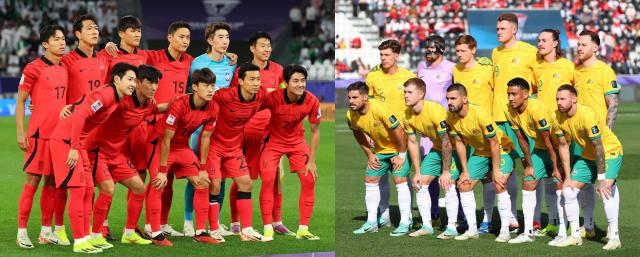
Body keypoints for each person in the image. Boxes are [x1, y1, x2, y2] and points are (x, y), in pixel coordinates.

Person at [50, 62, 138, 253]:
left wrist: (72, 105)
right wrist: (73, 147)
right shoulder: (106, 96)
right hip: (66, 142)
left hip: (77, 143)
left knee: (89, 190)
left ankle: (86, 237)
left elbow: (83, 103)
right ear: (116, 79)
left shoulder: (115, 97)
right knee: (79, 190)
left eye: (135, 81)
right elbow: (81, 116)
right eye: (130, 79)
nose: (133, 84)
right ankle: (80, 242)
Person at [82, 65, 166, 247]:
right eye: (150, 82)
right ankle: (95, 234)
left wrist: (176, 103)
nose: (153, 87)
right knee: (107, 189)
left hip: (116, 154)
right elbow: (91, 104)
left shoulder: (149, 104)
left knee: (139, 188)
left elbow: (154, 110)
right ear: (137, 83)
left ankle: (129, 233)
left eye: (156, 83)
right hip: (97, 151)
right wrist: (71, 107)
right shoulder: (121, 100)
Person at [145, 68, 220, 246]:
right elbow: (166, 138)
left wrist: (202, 168)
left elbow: (206, 138)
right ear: (194, 87)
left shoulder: (213, 107)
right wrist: (163, 171)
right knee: (158, 183)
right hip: (159, 143)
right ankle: (155, 232)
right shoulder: (180, 104)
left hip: (181, 147)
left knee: (203, 182)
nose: (210, 90)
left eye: (212, 86)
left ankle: (200, 231)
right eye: (206, 86)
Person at [229, 31, 293, 237]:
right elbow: (234, 101)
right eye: (262, 45)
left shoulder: (279, 70)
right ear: (252, 48)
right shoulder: (242, 71)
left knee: (275, 177)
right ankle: (235, 222)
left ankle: (277, 221)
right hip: (247, 132)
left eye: (269, 45)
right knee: (241, 177)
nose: (267, 49)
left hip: (272, 134)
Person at [15, 24, 68, 249]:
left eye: (63, 38)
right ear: (45, 44)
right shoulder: (33, 68)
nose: (62, 42)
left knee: (53, 183)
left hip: (59, 136)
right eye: (56, 39)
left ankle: (46, 232)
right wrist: (20, 131)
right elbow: (20, 101)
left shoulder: (66, 67)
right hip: (38, 135)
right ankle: (21, 232)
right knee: (32, 182)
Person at [204, 63, 269, 242]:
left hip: (234, 147)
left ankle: (246, 230)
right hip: (214, 145)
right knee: (215, 184)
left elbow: (273, 94)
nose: (256, 83)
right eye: (252, 79)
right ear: (240, 81)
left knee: (246, 183)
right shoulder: (225, 95)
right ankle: (213, 228)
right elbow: (203, 97)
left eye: (258, 79)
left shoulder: (261, 94)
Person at [553, 85, 623, 250]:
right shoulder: (556, 116)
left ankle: (614, 237)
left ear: (574, 99)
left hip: (610, 151)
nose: (559, 103)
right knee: (568, 190)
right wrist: (568, 177)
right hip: (588, 154)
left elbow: (599, 146)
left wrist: (601, 179)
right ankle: (575, 235)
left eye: (563, 99)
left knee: (605, 190)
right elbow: (563, 146)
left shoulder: (587, 114)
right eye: (557, 99)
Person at [502, 78, 570, 245]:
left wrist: (556, 167)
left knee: (560, 184)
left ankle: (563, 231)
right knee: (529, 181)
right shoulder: (508, 110)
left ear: (525, 95)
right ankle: (528, 232)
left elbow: (550, 142)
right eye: (508, 94)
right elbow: (522, 139)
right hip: (540, 149)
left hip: (559, 146)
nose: (510, 98)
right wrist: (530, 165)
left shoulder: (537, 109)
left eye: (514, 94)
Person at [445, 83, 515, 242]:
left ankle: (505, 231)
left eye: (453, 98)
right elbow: (459, 143)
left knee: (499, 183)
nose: (449, 102)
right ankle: (472, 229)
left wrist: (496, 170)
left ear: (464, 99)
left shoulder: (480, 113)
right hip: (480, 152)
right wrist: (465, 170)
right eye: (447, 99)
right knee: (463, 183)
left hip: (501, 149)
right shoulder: (450, 116)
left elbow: (495, 143)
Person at [259, 64, 321, 241]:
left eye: (303, 80)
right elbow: (252, 109)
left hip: (297, 142)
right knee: (269, 180)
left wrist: (312, 160)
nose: (300, 84)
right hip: (273, 142)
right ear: (285, 83)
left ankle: (303, 229)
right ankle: (268, 229)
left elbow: (315, 131)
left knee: (309, 179)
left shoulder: (312, 100)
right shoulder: (273, 98)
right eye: (295, 81)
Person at [492, 13, 538, 232]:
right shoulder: (495, 53)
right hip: (499, 121)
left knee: (532, 167)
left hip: (523, 122)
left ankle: (536, 218)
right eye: (497, 28)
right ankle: (511, 218)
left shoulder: (530, 52)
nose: (498, 31)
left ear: (514, 30)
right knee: (504, 170)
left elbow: (538, 85)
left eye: (502, 28)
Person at [573, 30, 621, 239]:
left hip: (600, 137)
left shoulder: (604, 70)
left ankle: (613, 229)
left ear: (596, 47)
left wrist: (607, 130)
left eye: (584, 44)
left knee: (607, 183)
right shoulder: (575, 71)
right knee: (584, 184)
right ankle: (589, 225)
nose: (579, 48)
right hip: (581, 139)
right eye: (578, 44)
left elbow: (613, 103)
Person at [347, 81, 411, 237]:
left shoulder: (379, 108)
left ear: (365, 98)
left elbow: (399, 131)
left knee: (400, 180)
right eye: (349, 97)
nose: (351, 101)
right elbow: (357, 132)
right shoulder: (350, 114)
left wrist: (401, 155)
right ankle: (371, 223)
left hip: (398, 149)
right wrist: (370, 154)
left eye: (355, 97)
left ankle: (405, 222)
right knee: (370, 179)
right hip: (380, 151)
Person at [364, 39, 415, 227]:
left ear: (397, 55)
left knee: (401, 175)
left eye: (387, 55)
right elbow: (368, 106)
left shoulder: (408, 76)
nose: (383, 58)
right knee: (380, 175)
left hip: (402, 133)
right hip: (379, 135)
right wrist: (368, 131)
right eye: (381, 55)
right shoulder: (372, 77)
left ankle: (407, 215)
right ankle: (384, 214)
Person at [402, 78, 459, 239]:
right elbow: (412, 143)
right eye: (404, 92)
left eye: (409, 92)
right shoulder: (406, 114)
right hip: (437, 149)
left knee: (448, 183)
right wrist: (418, 172)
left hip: (454, 148)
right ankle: (427, 225)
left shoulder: (435, 110)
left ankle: (452, 226)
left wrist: (446, 171)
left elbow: (447, 142)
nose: (405, 95)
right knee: (420, 183)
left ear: (421, 94)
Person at [530, 28, 575, 237]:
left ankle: (569, 224)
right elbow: (529, 91)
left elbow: (576, 95)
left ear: (556, 43)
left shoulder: (567, 66)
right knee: (549, 178)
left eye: (544, 40)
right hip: (540, 130)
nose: (540, 43)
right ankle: (554, 222)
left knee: (562, 178)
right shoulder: (535, 66)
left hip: (562, 130)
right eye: (538, 40)